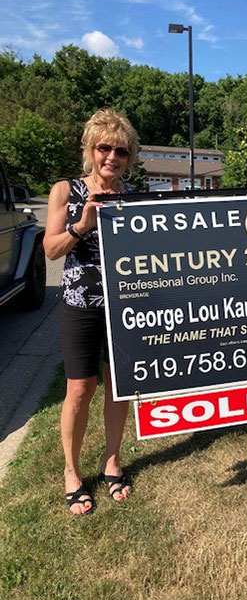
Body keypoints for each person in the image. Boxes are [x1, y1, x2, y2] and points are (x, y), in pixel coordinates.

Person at [44, 108, 139, 516]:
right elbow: (50, 249)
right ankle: (71, 471)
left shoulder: (135, 197)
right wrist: (83, 224)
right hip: (81, 306)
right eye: (104, 148)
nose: (112, 157)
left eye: (121, 151)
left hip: (125, 307)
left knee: (119, 387)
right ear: (90, 149)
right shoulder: (65, 191)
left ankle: (112, 459)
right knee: (80, 390)